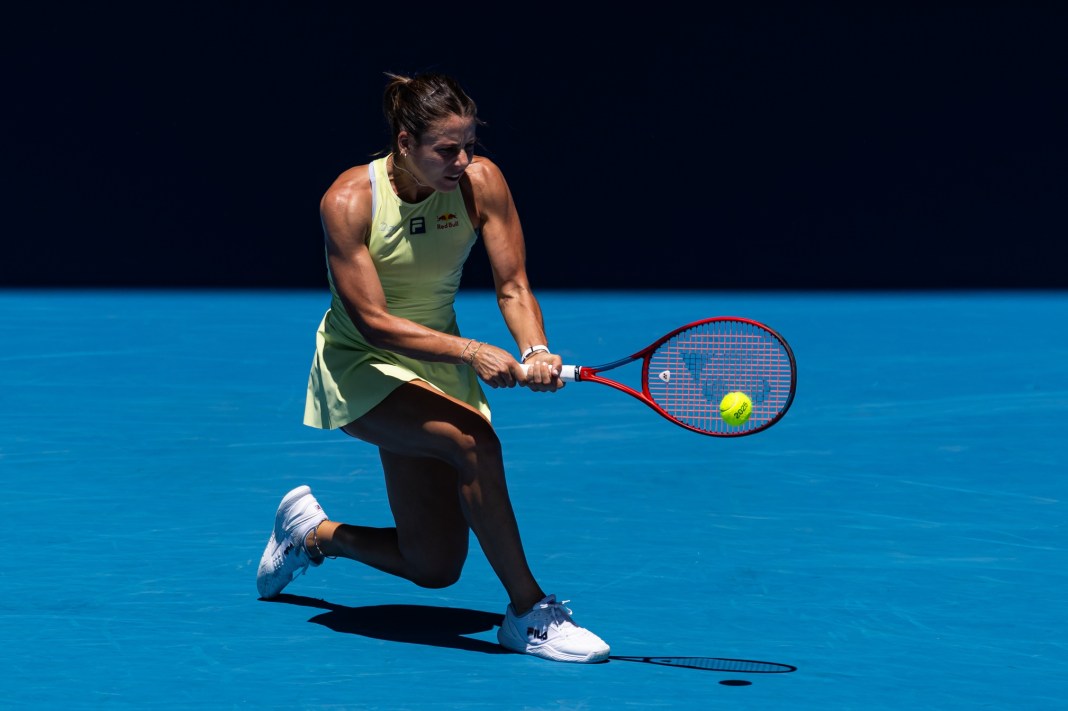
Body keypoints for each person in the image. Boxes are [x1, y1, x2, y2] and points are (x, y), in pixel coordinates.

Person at [255, 71, 609, 664]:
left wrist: (535, 351)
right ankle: (531, 614)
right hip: (360, 365)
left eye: (469, 144)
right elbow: (373, 321)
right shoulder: (349, 201)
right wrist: (471, 351)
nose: (463, 160)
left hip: (434, 363)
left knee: (434, 565)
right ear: (403, 143)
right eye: (447, 149)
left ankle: (310, 534)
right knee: (474, 443)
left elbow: (514, 285)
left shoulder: (481, 182)